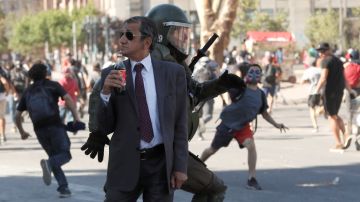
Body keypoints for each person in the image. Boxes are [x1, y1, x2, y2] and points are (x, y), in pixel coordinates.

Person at [81, 4, 246, 202]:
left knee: (213, 188)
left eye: (184, 32)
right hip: (133, 153)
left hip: (164, 150)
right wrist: (97, 131)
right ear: (161, 33)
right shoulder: (153, 57)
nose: (183, 37)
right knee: (214, 189)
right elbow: (102, 89)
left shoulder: (175, 63)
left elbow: (192, 93)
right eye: (177, 32)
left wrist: (219, 85)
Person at [96, 16, 188, 201]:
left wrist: (180, 167)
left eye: (129, 35)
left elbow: (180, 123)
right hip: (124, 164)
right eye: (121, 34)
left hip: (160, 165)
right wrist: (105, 94)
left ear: (147, 42)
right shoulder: (112, 74)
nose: (122, 39)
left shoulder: (173, 73)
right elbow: (105, 127)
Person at [200, 63, 287, 190]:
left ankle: (251, 179)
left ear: (260, 76)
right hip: (228, 124)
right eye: (252, 71)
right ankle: (197, 165)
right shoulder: (240, 88)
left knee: (251, 146)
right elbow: (228, 85)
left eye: (257, 72)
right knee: (211, 150)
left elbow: (264, 114)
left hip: (243, 127)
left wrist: (276, 124)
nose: (254, 74)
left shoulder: (261, 94)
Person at [14, 62, 80, 198]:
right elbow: (68, 99)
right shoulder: (53, 85)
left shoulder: (28, 91)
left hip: (39, 129)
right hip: (55, 125)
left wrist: (22, 132)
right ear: (46, 73)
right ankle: (50, 166)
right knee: (64, 155)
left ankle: (63, 188)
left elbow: (17, 115)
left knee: (53, 156)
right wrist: (76, 118)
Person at [314, 42, 356, 150]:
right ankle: (346, 134)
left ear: (328, 50)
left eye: (323, 51)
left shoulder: (326, 61)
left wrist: (315, 91)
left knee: (331, 117)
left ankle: (338, 143)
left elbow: (323, 78)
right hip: (339, 91)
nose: (321, 54)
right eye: (319, 51)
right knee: (335, 115)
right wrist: (350, 91)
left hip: (330, 92)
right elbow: (344, 78)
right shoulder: (338, 61)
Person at [301, 58, 323, 133]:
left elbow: (303, 81)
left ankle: (315, 126)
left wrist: (309, 81)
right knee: (321, 106)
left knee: (311, 109)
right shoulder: (320, 70)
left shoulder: (308, 71)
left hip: (312, 91)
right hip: (321, 91)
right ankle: (319, 111)